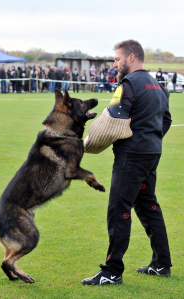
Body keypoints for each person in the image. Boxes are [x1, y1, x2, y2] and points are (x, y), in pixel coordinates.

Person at [82, 39, 172, 286]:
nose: (115, 64)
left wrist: (90, 142)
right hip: (152, 153)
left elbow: (113, 118)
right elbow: (166, 120)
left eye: (117, 59)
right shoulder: (158, 85)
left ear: (131, 57)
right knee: (148, 206)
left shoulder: (129, 83)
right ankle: (162, 263)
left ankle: (112, 271)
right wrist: (149, 139)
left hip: (131, 156)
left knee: (118, 208)